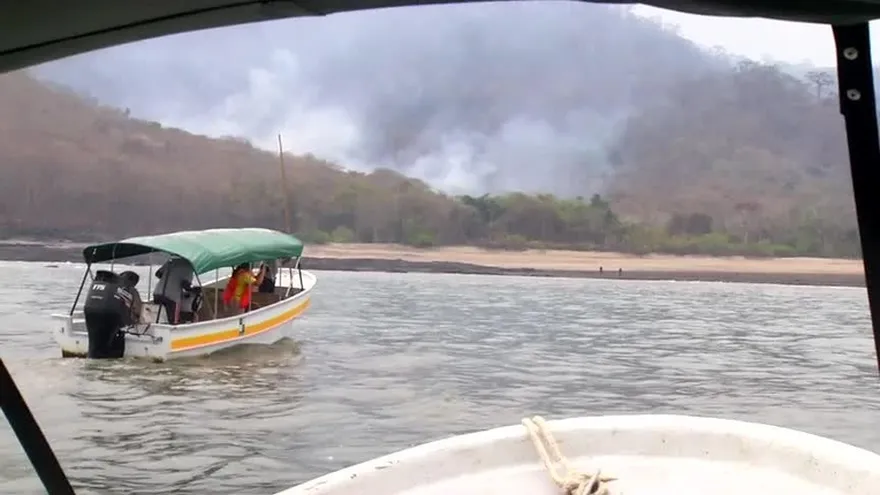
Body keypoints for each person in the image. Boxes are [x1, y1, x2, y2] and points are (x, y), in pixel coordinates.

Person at [152, 256, 193, 324]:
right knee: (172, 321)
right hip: (172, 297)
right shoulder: (189, 267)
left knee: (158, 317)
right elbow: (185, 285)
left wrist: (168, 278)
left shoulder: (171, 261)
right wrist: (192, 290)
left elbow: (158, 274)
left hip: (158, 292)